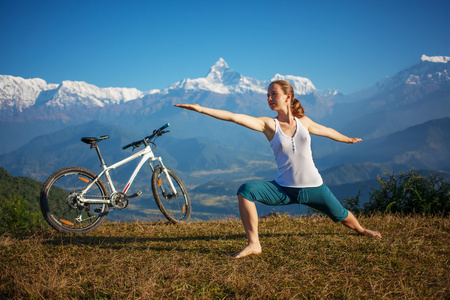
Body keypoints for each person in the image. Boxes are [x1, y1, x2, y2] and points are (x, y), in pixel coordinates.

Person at [175, 80, 381, 258]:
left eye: (274, 94)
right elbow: (234, 116)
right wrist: (201, 109)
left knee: (342, 215)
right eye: (267, 95)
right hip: (283, 189)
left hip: (314, 188)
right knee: (245, 191)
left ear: (287, 97)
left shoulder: (304, 123)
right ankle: (254, 243)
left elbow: (326, 131)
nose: (269, 98)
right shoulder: (268, 125)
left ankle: (362, 230)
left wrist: (348, 140)